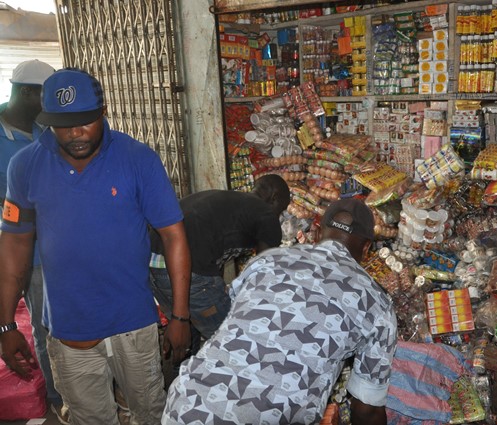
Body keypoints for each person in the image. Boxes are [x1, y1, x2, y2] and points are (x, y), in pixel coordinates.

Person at [0, 68, 191, 425]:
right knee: (90, 419)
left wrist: (180, 315)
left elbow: (173, 235)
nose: (75, 133)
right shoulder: (25, 166)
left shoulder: (138, 159)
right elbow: (14, 246)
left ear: (103, 112)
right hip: (69, 329)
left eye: (85, 121)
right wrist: (6, 325)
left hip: (133, 323)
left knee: (150, 413)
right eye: (63, 124)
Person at [162, 198, 398, 425]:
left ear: (317, 233)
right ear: (367, 247)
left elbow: (233, 319)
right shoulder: (377, 303)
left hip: (188, 405)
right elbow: (366, 410)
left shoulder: (268, 260)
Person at [0, 59, 67, 421]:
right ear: (27, 92)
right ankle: (60, 399)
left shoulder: (48, 128)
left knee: (76, 318)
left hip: (65, 243)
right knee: (46, 329)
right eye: (47, 95)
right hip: (29, 252)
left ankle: (86, 387)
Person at [149, 174, 291, 340]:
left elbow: (217, 253)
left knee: (187, 335)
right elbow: (265, 272)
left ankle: (183, 365)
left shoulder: (230, 202)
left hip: (154, 267)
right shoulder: (266, 214)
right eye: (282, 210)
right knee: (233, 339)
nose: (279, 217)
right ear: (274, 198)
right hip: (187, 267)